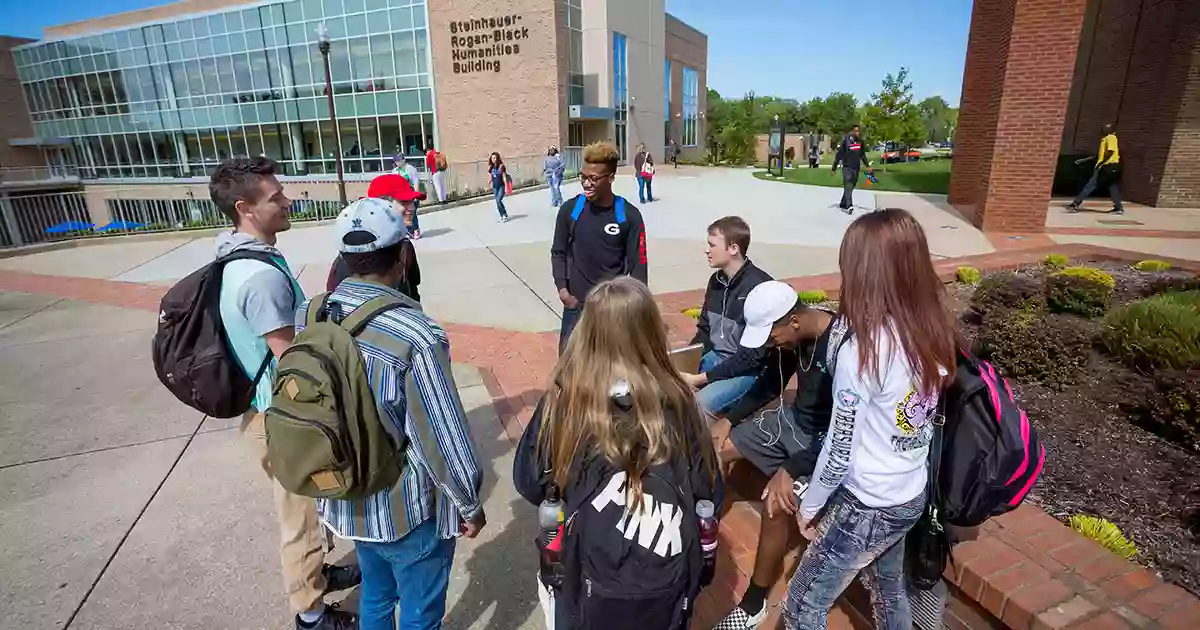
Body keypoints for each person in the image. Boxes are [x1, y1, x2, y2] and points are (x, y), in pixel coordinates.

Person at [300, 196, 486, 630]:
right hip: (405, 510)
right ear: (403, 255)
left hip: (346, 496)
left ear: (344, 258)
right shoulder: (415, 335)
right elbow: (441, 438)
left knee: (377, 598)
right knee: (420, 613)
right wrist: (469, 503)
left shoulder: (313, 313)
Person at [782, 208, 958, 630]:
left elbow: (840, 448)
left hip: (869, 503)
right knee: (887, 588)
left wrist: (810, 506)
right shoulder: (930, 329)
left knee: (802, 606)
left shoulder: (863, 351)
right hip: (909, 493)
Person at [513, 276, 722, 630]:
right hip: (664, 585)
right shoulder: (680, 402)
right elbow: (709, 494)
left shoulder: (565, 403)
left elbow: (530, 483)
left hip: (585, 579)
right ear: (651, 331)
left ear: (587, 332)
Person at [210, 157, 360, 630]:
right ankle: (312, 616)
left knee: (305, 512)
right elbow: (292, 362)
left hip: (269, 415)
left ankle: (318, 576)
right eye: (275, 196)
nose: (287, 200)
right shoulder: (259, 278)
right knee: (300, 521)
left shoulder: (237, 255)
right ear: (245, 208)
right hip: (283, 421)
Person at [706, 281, 841, 630]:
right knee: (713, 448)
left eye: (771, 335)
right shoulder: (792, 338)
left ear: (793, 320)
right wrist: (730, 420)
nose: (769, 343)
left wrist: (791, 468)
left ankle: (754, 605)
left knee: (775, 503)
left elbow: (847, 430)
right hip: (790, 421)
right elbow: (769, 385)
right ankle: (704, 533)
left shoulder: (842, 348)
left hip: (824, 442)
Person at [550, 141, 648, 353]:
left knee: (612, 373)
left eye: (593, 178)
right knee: (568, 373)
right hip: (576, 307)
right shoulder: (570, 210)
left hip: (612, 309)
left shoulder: (628, 216)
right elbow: (558, 252)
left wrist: (633, 309)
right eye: (583, 177)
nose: (586, 183)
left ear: (611, 178)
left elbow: (639, 266)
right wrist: (563, 291)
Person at [679, 216, 776, 417]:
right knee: (663, 389)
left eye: (712, 245)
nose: (706, 250)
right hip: (715, 359)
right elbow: (705, 330)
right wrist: (688, 358)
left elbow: (751, 358)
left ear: (733, 249)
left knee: (693, 409)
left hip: (745, 371)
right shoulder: (715, 281)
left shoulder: (760, 288)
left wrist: (700, 379)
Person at [325, 173, 422, 302]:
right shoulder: (351, 256)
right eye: (404, 202)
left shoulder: (406, 246)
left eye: (412, 202)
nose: (412, 208)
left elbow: (412, 288)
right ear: (381, 204)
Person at [1066, 123, 1124, 215]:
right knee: (1112, 186)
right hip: (1108, 167)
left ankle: (1075, 204)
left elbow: (1110, 152)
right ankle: (1118, 208)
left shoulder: (1111, 137)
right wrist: (1083, 160)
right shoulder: (1105, 139)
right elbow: (1099, 155)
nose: (1103, 129)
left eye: (1106, 128)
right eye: (1103, 128)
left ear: (1112, 130)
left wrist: (1101, 163)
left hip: (1106, 166)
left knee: (1091, 185)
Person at [832, 124, 873, 212]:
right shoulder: (846, 142)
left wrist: (868, 166)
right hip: (847, 167)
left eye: (858, 131)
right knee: (848, 184)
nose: (857, 133)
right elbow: (838, 155)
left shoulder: (860, 142)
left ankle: (843, 203)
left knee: (851, 186)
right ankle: (849, 205)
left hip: (856, 167)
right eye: (855, 131)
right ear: (851, 132)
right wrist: (834, 168)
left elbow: (862, 155)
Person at [392, 155, 423, 239]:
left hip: (411, 194)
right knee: (403, 214)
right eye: (396, 161)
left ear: (404, 160)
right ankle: (408, 230)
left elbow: (416, 181)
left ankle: (416, 230)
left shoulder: (410, 169)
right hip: (401, 196)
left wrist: (416, 194)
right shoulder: (395, 171)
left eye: (399, 160)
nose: (398, 162)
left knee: (412, 213)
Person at [488, 151, 509, 223]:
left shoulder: (501, 166)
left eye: (494, 158)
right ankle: (502, 215)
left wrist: (506, 188)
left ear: (497, 158)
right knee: (498, 202)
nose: (493, 159)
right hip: (495, 187)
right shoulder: (491, 167)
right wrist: (488, 184)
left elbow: (504, 178)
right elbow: (490, 177)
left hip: (501, 186)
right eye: (492, 158)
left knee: (498, 200)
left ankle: (504, 215)